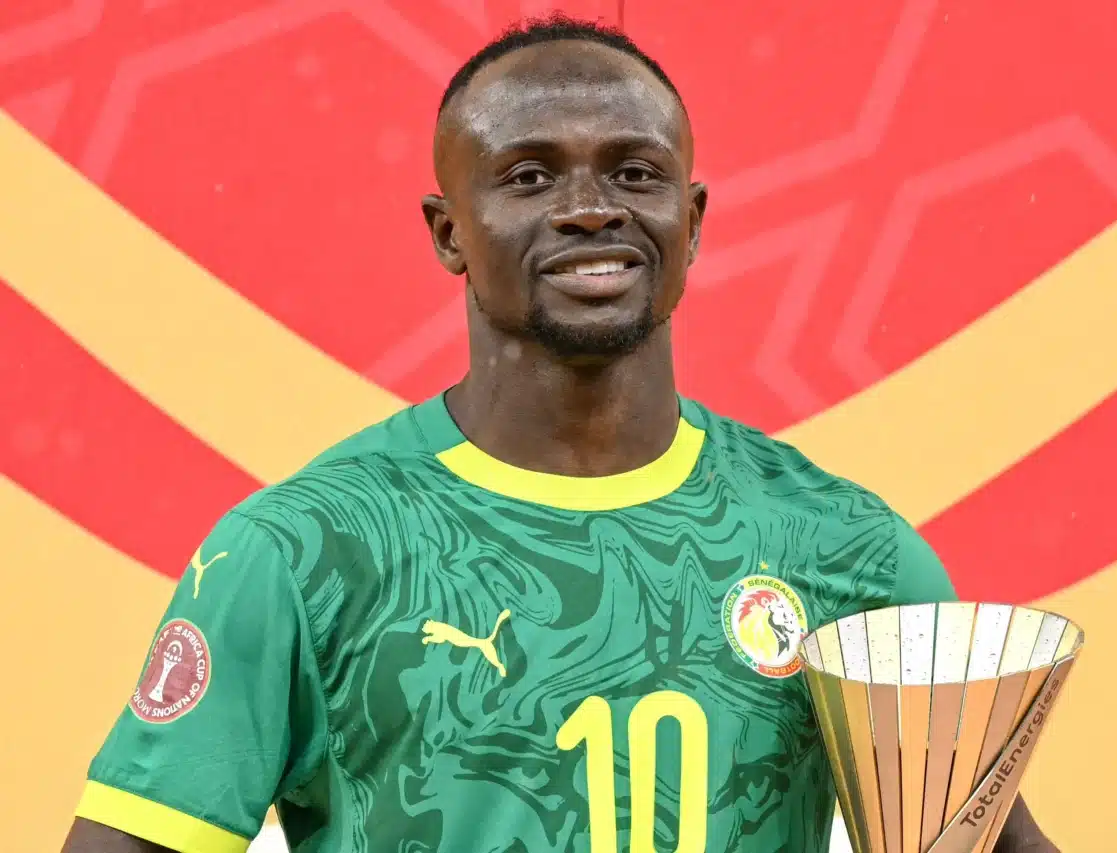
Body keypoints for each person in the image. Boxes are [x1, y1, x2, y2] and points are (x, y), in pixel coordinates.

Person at [62, 16, 1059, 853]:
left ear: (692, 220)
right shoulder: (301, 551)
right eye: (530, 176)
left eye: (635, 172)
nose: (589, 210)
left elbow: (982, 837)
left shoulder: (847, 550)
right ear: (448, 231)